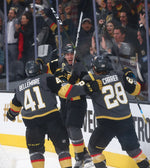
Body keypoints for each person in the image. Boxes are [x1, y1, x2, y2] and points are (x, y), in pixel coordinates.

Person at [6, 60, 99, 168]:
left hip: (32, 125)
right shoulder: (46, 77)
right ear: (39, 69)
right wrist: (85, 89)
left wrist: (10, 115)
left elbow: (13, 110)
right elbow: (65, 92)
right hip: (52, 119)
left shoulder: (19, 87)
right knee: (63, 150)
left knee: (35, 152)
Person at [82, 54, 150, 168]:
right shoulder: (119, 75)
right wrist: (130, 75)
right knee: (134, 151)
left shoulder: (92, 79)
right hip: (126, 120)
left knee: (94, 149)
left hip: (107, 122)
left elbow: (74, 91)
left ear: (95, 68)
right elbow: (136, 90)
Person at [54, 44, 94, 168]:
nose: (69, 56)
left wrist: (75, 80)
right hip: (65, 103)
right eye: (67, 54)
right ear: (64, 55)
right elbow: (57, 81)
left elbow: (87, 81)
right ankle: (85, 155)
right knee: (66, 129)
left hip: (77, 102)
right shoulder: (61, 66)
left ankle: (79, 158)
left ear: (75, 55)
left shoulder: (80, 67)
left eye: (71, 54)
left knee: (73, 128)